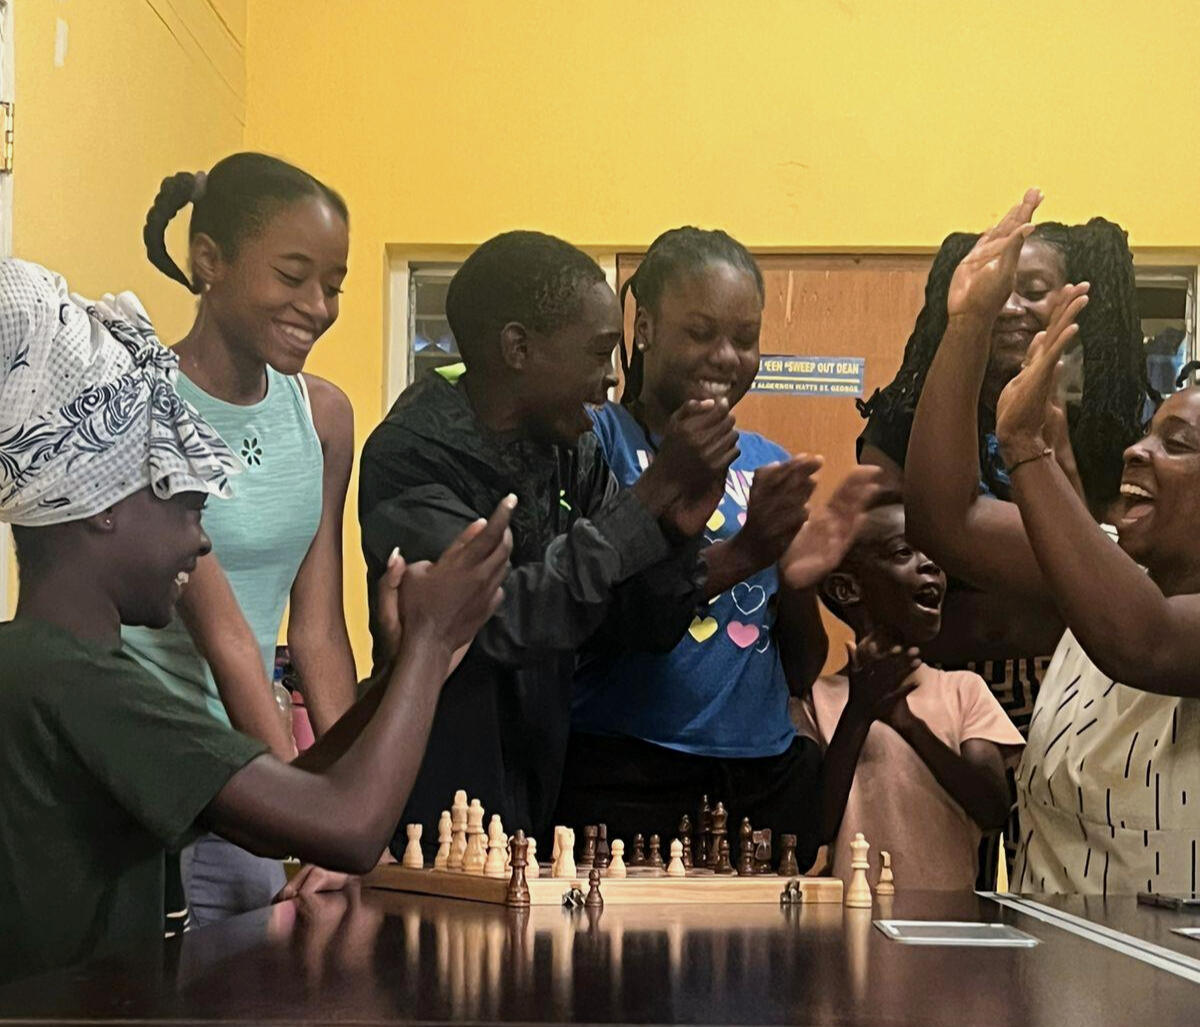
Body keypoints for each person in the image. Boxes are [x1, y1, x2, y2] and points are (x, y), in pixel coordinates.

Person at [0, 258, 512, 981]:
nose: (201, 541)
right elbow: (347, 829)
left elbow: (292, 796)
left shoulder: (72, 671)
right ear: (103, 505)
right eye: (187, 505)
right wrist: (428, 648)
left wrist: (399, 672)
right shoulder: (74, 686)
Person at [358, 230, 738, 855]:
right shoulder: (409, 456)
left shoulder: (572, 450)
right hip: (427, 812)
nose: (611, 378)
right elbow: (494, 621)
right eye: (598, 353)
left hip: (531, 804)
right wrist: (648, 498)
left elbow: (631, 625)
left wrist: (674, 532)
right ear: (518, 348)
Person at [907, 188, 1200, 894]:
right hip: (1053, 954)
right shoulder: (1103, 564)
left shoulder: (1129, 612)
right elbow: (945, 517)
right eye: (1147, 433)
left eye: (1178, 443)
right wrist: (968, 325)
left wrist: (1025, 449)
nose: (1136, 452)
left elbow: (1144, 640)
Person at [555, 227, 881, 861]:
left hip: (758, 772)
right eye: (701, 332)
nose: (727, 357)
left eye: (745, 337)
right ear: (644, 328)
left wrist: (797, 578)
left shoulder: (765, 462)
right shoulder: (596, 440)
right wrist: (744, 550)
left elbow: (798, 667)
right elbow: (593, 615)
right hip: (624, 769)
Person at [124, 152, 359, 923]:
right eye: (293, 276)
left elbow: (318, 630)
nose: (317, 306)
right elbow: (222, 633)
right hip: (144, 777)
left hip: (252, 773)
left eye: (334, 285)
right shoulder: (142, 404)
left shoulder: (322, 417)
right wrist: (312, 816)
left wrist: (351, 796)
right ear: (209, 261)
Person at [857, 214, 1149, 730]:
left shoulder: (1109, 427)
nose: (1010, 308)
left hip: (1069, 682)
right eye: (996, 292)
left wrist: (1056, 439)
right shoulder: (906, 424)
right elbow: (887, 555)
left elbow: (1102, 565)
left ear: (1074, 297)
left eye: (1033, 291)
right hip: (935, 682)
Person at [792, 495, 1023, 889]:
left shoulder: (964, 690)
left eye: (934, 554)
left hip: (949, 924)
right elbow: (817, 828)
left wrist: (909, 724)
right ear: (846, 589)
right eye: (903, 552)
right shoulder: (813, 698)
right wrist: (859, 712)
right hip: (851, 921)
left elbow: (993, 810)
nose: (931, 564)